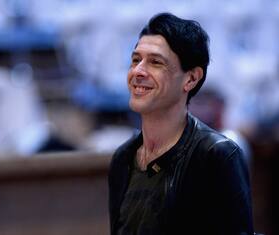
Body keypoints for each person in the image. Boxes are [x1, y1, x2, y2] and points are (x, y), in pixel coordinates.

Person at [108, 13, 254, 235]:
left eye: (155, 62)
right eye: (136, 60)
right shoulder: (123, 158)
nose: (137, 71)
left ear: (191, 79)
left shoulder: (217, 156)